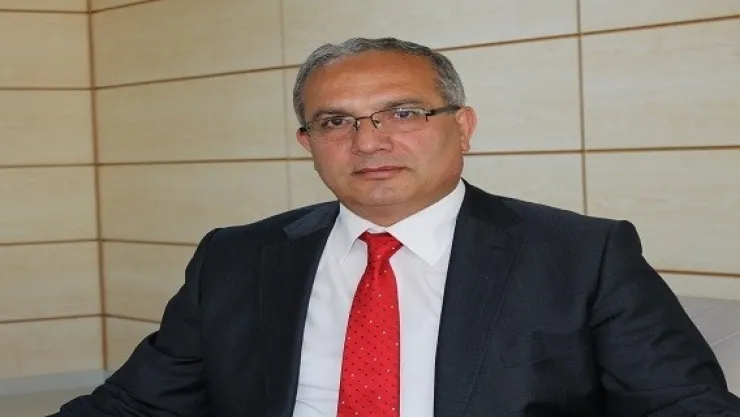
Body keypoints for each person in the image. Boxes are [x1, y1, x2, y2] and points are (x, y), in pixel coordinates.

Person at [50, 37, 740, 417]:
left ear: (462, 127)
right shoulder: (236, 256)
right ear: (308, 144)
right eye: (336, 121)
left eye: (403, 113)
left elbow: (684, 406)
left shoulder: (582, 254)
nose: (369, 141)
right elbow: (138, 405)